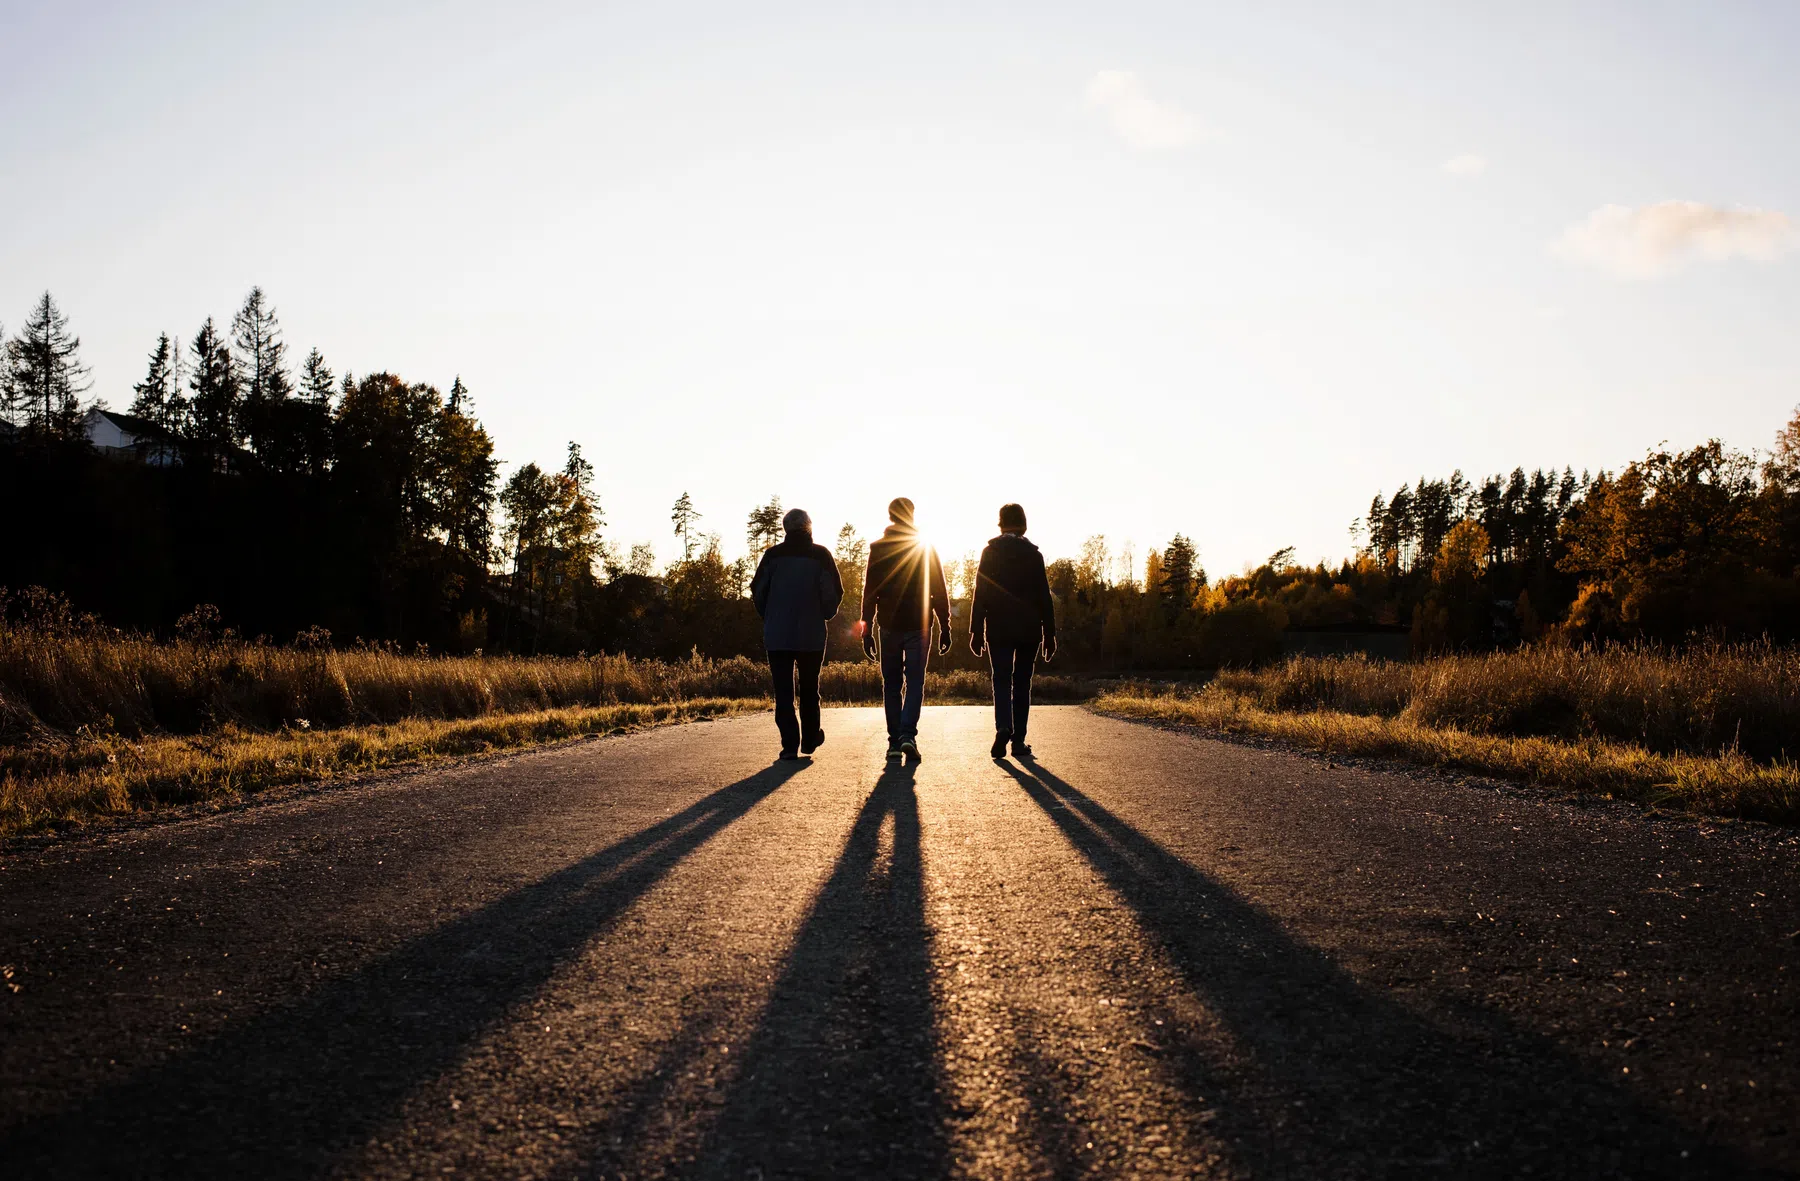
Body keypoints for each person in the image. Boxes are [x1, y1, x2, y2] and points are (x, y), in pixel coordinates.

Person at [861, 497, 951, 762]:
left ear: (891, 516)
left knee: (891, 684)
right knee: (915, 683)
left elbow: (870, 593)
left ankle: (893, 742)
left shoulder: (878, 548)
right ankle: (907, 736)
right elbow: (939, 589)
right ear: (911, 515)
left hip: (888, 626)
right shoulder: (925, 547)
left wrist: (866, 630)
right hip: (919, 625)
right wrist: (945, 626)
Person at [751, 507, 844, 759]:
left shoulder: (772, 556)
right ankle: (810, 738)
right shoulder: (821, 555)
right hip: (811, 635)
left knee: (783, 691)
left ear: (785, 529)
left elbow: (757, 591)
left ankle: (789, 745)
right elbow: (833, 592)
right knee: (810, 688)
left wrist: (769, 615)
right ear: (809, 527)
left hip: (777, 635)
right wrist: (825, 613)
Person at [969, 502, 1056, 759]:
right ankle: (1018, 740)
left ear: (1001, 523)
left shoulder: (990, 553)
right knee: (1022, 682)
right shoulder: (1034, 555)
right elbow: (1044, 596)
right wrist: (1049, 634)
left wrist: (975, 630)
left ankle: (1003, 727)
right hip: (1029, 629)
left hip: (998, 628)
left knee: (1001, 679)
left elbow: (980, 592)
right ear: (1023, 524)